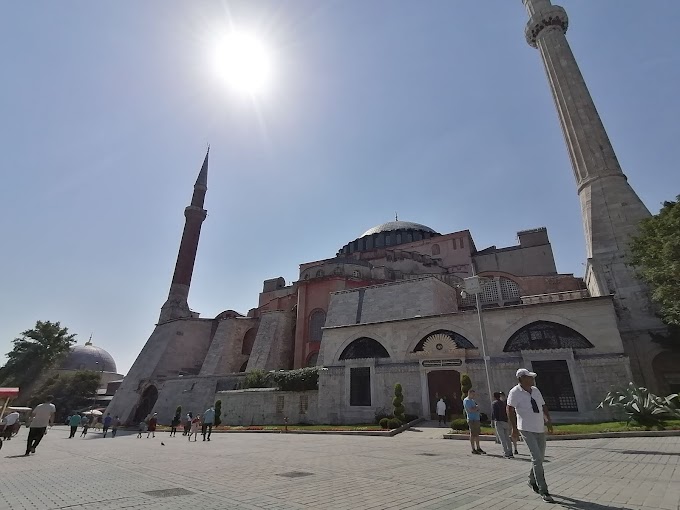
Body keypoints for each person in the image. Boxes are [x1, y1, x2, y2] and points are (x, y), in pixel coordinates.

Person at [507, 368, 554, 504]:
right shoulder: (515, 392)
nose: (532, 379)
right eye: (529, 377)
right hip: (526, 428)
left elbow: (543, 406)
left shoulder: (535, 390)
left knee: (540, 457)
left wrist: (548, 421)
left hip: (539, 427)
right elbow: (509, 409)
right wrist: (514, 429)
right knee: (537, 458)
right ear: (521, 379)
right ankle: (543, 490)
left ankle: (531, 479)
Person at [491, 392, 513, 458]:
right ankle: (510, 451)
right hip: (505, 421)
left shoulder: (494, 403)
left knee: (502, 438)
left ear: (494, 397)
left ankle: (505, 452)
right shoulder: (503, 403)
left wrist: (492, 421)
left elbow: (494, 413)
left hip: (498, 421)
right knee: (507, 437)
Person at [463, 389, 485, 455]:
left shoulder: (472, 400)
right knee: (472, 434)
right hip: (471, 419)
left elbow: (476, 408)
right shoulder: (466, 400)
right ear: (469, 393)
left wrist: (476, 408)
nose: (474, 395)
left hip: (476, 418)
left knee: (477, 434)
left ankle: (478, 447)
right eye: (473, 394)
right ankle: (473, 449)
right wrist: (476, 408)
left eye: (474, 394)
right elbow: (470, 410)